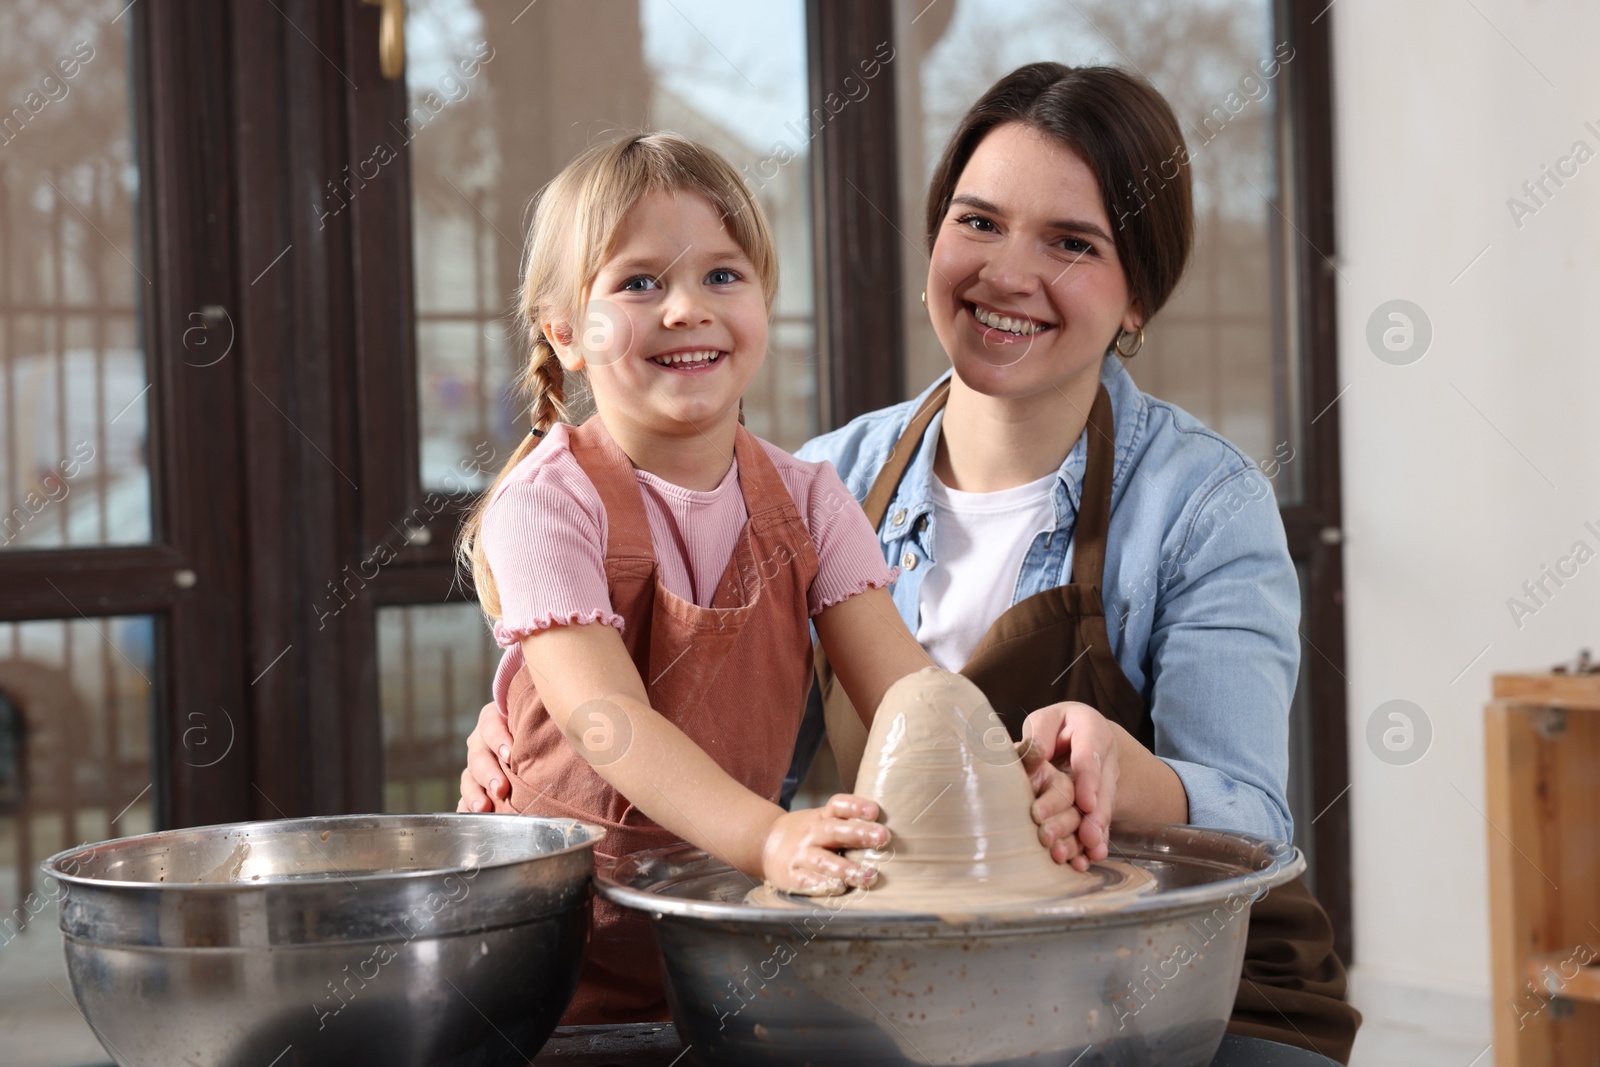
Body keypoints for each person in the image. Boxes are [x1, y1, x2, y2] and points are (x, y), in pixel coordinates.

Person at [463, 70, 1361, 1061]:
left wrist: (1123, 775)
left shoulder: (1202, 504)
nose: (1008, 272)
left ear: (1138, 291)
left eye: (1069, 241)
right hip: (924, 973)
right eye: (979, 222)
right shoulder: (838, 474)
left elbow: (1256, 817)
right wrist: (549, 740)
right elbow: (739, 729)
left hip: (1182, 979)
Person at [458, 132, 1089, 1026]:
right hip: (549, 960)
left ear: (764, 303)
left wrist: (1009, 774)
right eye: (639, 282)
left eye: (723, 276)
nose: (687, 309)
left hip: (720, 938)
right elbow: (612, 724)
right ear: (564, 332)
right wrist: (768, 834)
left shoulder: (811, 501)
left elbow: (909, 687)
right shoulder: (549, 504)